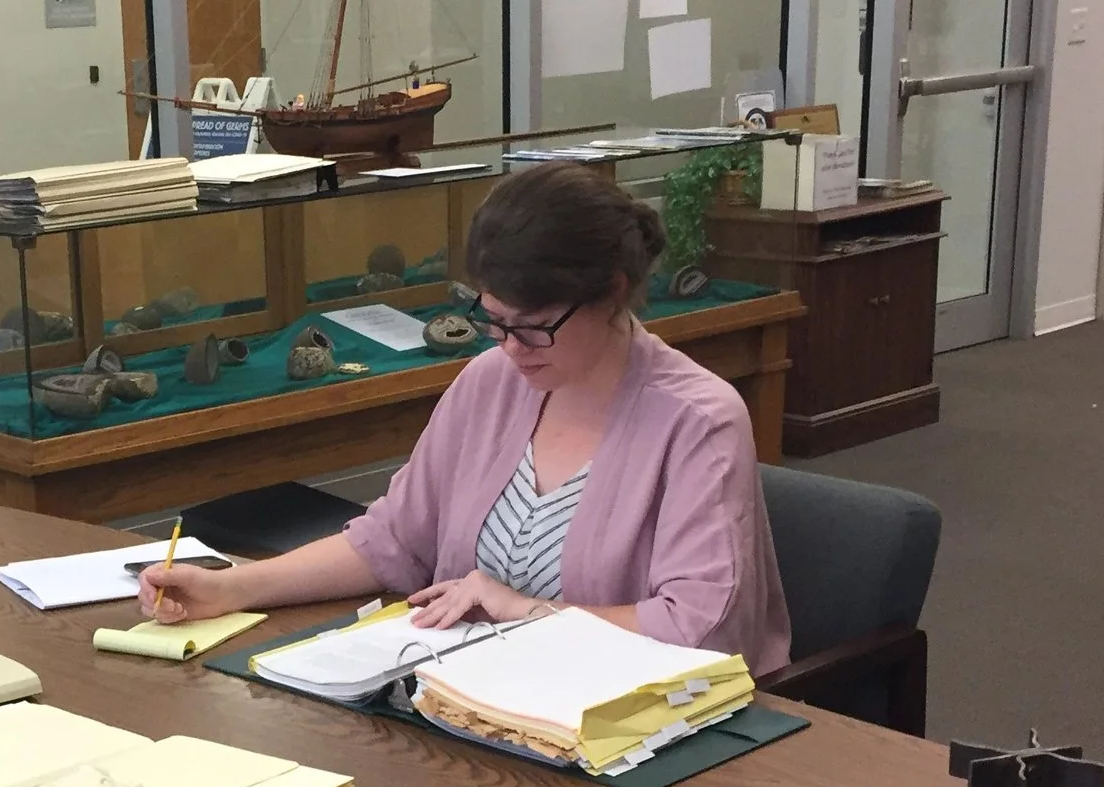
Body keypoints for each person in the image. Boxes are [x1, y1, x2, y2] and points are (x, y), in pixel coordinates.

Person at [138, 160, 791, 671]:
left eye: (533, 327)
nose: (508, 347)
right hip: (472, 702)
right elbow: (392, 542)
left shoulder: (697, 423)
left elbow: (699, 630)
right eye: (493, 319)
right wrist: (232, 588)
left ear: (612, 293)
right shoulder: (491, 382)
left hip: (621, 739)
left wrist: (525, 611)